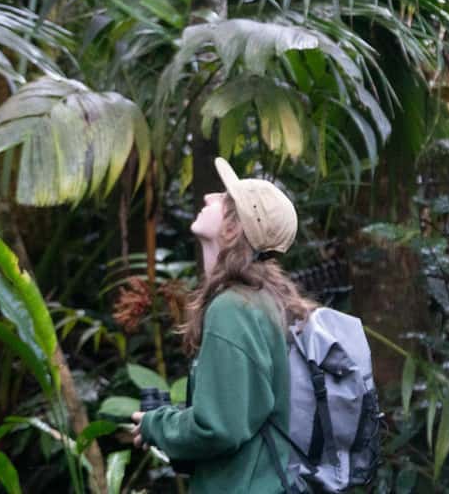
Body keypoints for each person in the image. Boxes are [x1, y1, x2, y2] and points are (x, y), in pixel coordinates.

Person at [131, 158, 317, 494]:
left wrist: (156, 424)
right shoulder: (260, 301)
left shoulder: (233, 308)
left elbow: (218, 429)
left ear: (232, 229)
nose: (208, 198)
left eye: (224, 198)